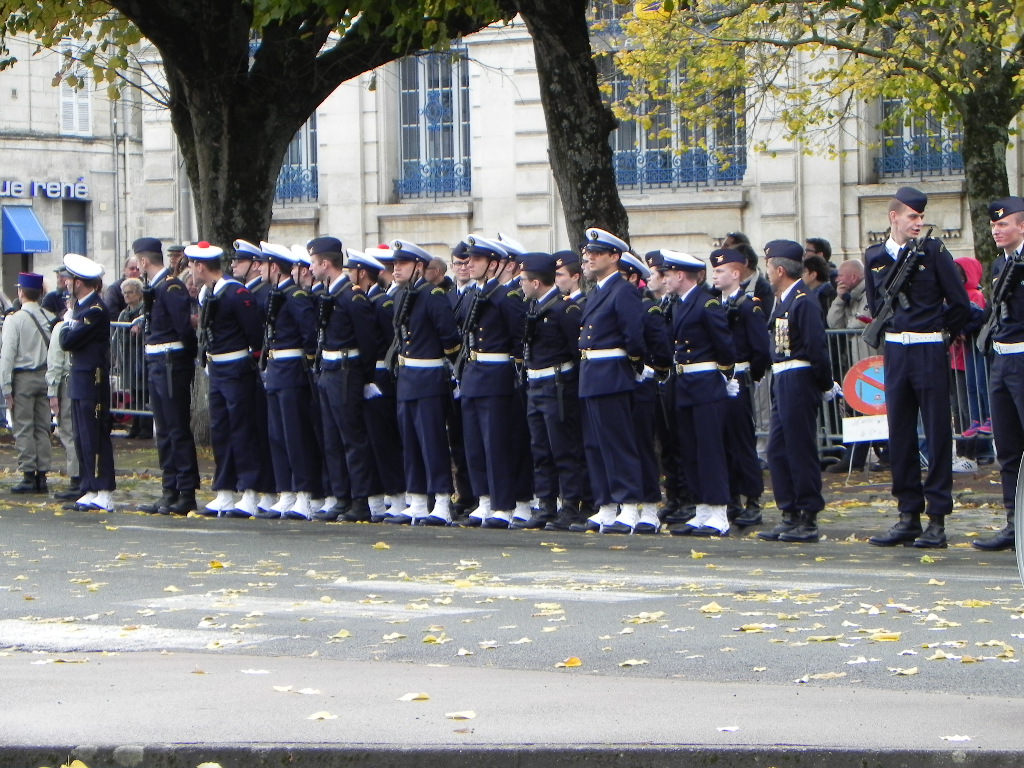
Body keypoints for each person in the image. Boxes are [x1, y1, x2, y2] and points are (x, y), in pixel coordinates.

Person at [864, 187, 970, 549]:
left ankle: (937, 517)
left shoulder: (934, 251)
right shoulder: (875, 256)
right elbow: (877, 305)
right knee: (900, 435)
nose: (918, 223)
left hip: (927, 348)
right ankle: (907, 513)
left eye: (921, 218)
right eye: (912, 217)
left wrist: (941, 336)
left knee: (938, 434)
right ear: (894, 216)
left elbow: (958, 302)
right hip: (895, 352)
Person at [758, 240, 837, 544]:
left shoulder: (804, 300)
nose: (768, 272)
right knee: (778, 449)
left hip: (799, 377)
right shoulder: (784, 300)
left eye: (769, 267)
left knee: (800, 449)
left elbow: (817, 347)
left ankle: (808, 514)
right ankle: (789, 511)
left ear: (779, 270)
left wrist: (825, 383)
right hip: (783, 377)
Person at [655, 250, 736, 537]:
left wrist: (724, 375)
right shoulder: (678, 304)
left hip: (705, 383)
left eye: (667, 275)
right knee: (688, 449)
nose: (663, 280)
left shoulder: (707, 303)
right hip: (684, 384)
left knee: (709, 449)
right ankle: (701, 508)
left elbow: (725, 347)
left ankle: (718, 511)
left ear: (680, 275)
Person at [573, 227, 648, 533]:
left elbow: (634, 337)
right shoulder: (600, 290)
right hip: (592, 374)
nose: (588, 258)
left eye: (596, 253)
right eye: (586, 253)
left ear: (615, 257)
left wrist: (632, 365)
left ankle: (628, 506)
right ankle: (606, 504)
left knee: (618, 443)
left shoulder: (623, 289)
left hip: (612, 373)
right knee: (595, 443)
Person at [382, 239, 462, 525]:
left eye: (402, 264)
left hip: (428, 377)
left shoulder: (433, 295)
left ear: (419, 266)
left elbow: (450, 339)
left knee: (432, 441)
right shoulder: (404, 295)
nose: (396, 269)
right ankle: (416, 499)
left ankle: (441, 500)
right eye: (395, 264)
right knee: (411, 442)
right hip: (407, 378)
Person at [453, 235, 527, 529]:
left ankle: (503, 504)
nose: (469, 265)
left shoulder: (505, 297)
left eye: (477, 260)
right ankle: (484, 499)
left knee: (496, 443)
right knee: (474, 444)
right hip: (473, 375)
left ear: (494, 265)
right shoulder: (473, 295)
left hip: (497, 376)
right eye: (468, 260)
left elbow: (519, 339)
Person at [308, 238, 385, 522]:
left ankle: (360, 500)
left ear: (325, 264)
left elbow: (368, 341)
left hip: (345, 371)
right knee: (332, 439)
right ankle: (341, 496)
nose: (311, 268)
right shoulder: (328, 293)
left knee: (352, 438)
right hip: (329, 370)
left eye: (313, 263)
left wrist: (364, 378)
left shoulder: (351, 296)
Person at [188, 241, 265, 517]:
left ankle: (249, 490)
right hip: (217, 369)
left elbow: (254, 333)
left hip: (236, 368)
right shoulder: (208, 293)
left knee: (242, 430)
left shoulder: (235, 293)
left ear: (200, 266)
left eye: (192, 265)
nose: (190, 270)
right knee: (220, 430)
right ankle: (224, 490)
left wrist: (250, 362)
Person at [516, 251, 587, 531]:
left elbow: (575, 351)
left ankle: (570, 505)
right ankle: (545, 503)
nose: (520, 284)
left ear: (536, 283)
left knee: (563, 448)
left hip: (558, 385)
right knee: (540, 448)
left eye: (523, 280)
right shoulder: (534, 307)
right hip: (536, 384)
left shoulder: (564, 309)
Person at [134, 237, 200, 516]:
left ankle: (185, 492)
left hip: (171, 362)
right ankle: (169, 489)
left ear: (144, 261)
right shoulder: (157, 287)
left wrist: (185, 356)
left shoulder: (171, 287)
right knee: (163, 429)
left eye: (138, 261)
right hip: (158, 361)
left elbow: (183, 328)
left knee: (176, 427)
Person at [254, 241, 320, 520]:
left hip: (292, 369)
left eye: (264, 264)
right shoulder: (275, 294)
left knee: (296, 435)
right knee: (277, 434)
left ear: (274, 267)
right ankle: (286, 492)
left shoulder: (295, 296)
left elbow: (309, 334)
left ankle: (304, 494)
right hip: (276, 368)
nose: (260, 268)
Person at [974, 197, 1024, 551]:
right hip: (1002, 361)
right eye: (994, 225)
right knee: (1007, 447)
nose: (996, 229)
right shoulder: (998, 264)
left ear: (1021, 226)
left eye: (1003, 224)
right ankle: (1014, 521)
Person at [709, 248, 771, 526]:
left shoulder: (749, 305)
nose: (715, 275)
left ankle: (753, 499)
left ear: (736, 274)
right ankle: (731, 497)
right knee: (722, 441)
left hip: (739, 377)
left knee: (742, 440)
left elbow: (759, 349)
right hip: (717, 378)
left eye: (721, 271)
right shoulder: (713, 304)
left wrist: (750, 375)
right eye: (714, 271)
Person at [58, 253, 116, 512]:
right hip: (81, 376)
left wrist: (68, 322)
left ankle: (103, 489)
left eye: (70, 279)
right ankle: (89, 486)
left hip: (93, 377)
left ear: (79, 282)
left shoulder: (94, 310)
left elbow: (67, 341)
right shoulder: (82, 308)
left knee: (95, 434)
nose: (66, 283)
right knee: (82, 435)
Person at [1, 272, 57, 494]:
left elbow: (7, 355)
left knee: (23, 427)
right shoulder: (50, 317)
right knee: (43, 427)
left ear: (21, 292)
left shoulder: (15, 320)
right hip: (45, 375)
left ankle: (28, 473)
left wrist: (5, 386)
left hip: (22, 377)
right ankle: (42, 474)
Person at [825, 258, 879, 474]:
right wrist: (840, 299)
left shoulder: (869, 293)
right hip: (857, 363)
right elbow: (833, 323)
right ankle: (854, 457)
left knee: (874, 409)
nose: (838, 279)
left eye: (842, 276)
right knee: (856, 408)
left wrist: (851, 298)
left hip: (872, 361)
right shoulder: (846, 298)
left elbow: (860, 321)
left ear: (854, 277)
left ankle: (885, 454)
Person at [47, 315, 80, 500]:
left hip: (67, 381)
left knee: (68, 431)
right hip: (85, 380)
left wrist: (52, 391)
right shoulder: (89, 323)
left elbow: (55, 360)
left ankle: (76, 479)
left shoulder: (62, 327)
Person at [115, 276, 151, 439]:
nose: (127, 296)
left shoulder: (145, 310)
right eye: (124, 293)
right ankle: (135, 426)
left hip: (142, 357)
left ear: (138, 293)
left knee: (145, 392)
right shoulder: (124, 313)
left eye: (130, 293)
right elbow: (120, 336)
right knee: (135, 393)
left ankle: (145, 427)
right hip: (129, 357)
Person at [103, 255, 141, 320]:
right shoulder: (115, 288)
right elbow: (111, 311)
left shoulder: (145, 285)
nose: (135, 271)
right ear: (124, 270)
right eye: (131, 268)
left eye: (138, 269)